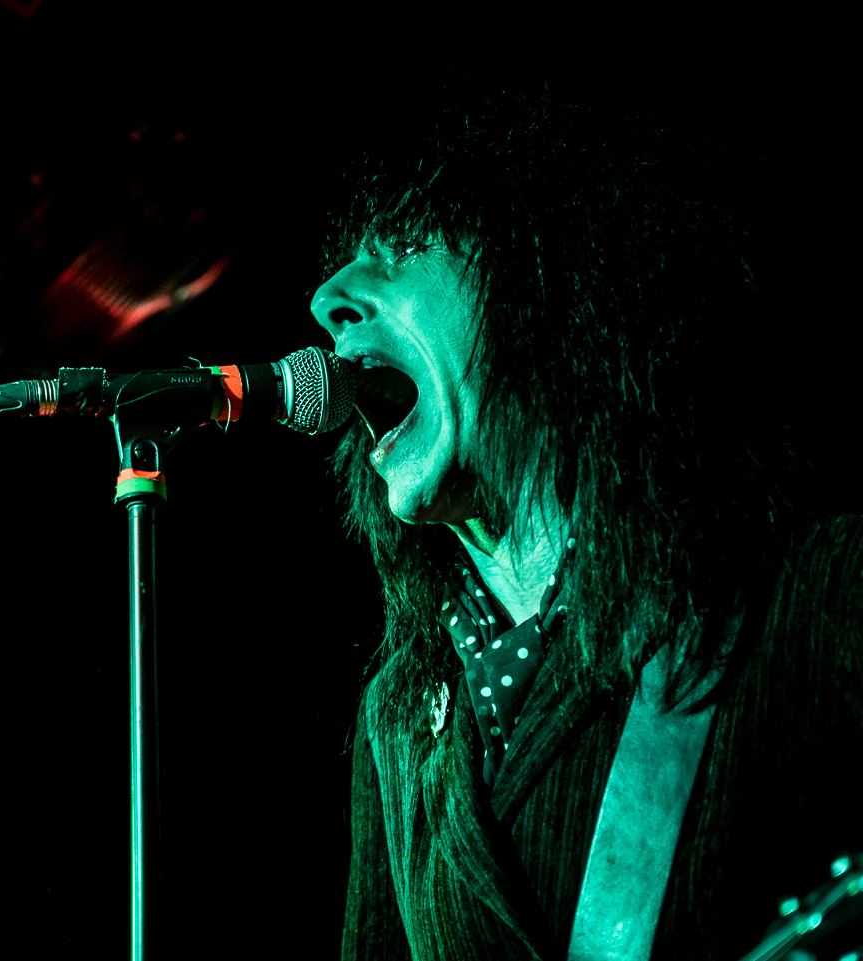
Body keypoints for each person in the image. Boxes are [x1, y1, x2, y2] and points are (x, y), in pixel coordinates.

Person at [311, 84, 862, 960]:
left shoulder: (811, 590)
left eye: (406, 243)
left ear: (546, 283)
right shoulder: (403, 721)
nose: (328, 299)